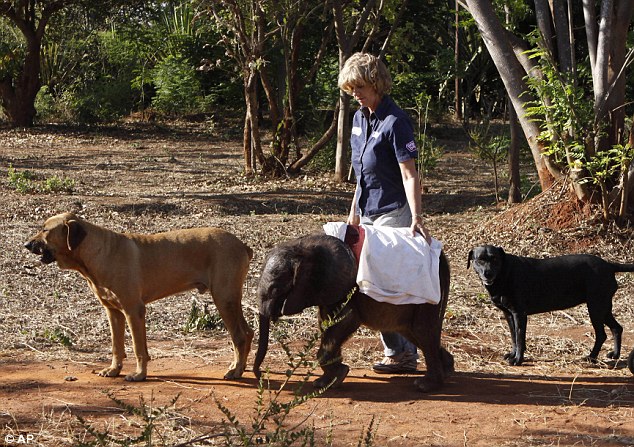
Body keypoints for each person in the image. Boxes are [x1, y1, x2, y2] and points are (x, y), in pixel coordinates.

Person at [338, 52, 431, 374]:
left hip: (393, 212)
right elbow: (362, 175)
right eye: (351, 89)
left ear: (376, 83)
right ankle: (398, 350)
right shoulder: (359, 118)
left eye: (360, 87)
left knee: (384, 284)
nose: (355, 94)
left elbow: (410, 175)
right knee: (364, 283)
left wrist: (417, 218)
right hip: (367, 210)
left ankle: (405, 352)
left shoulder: (396, 121)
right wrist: (352, 214)